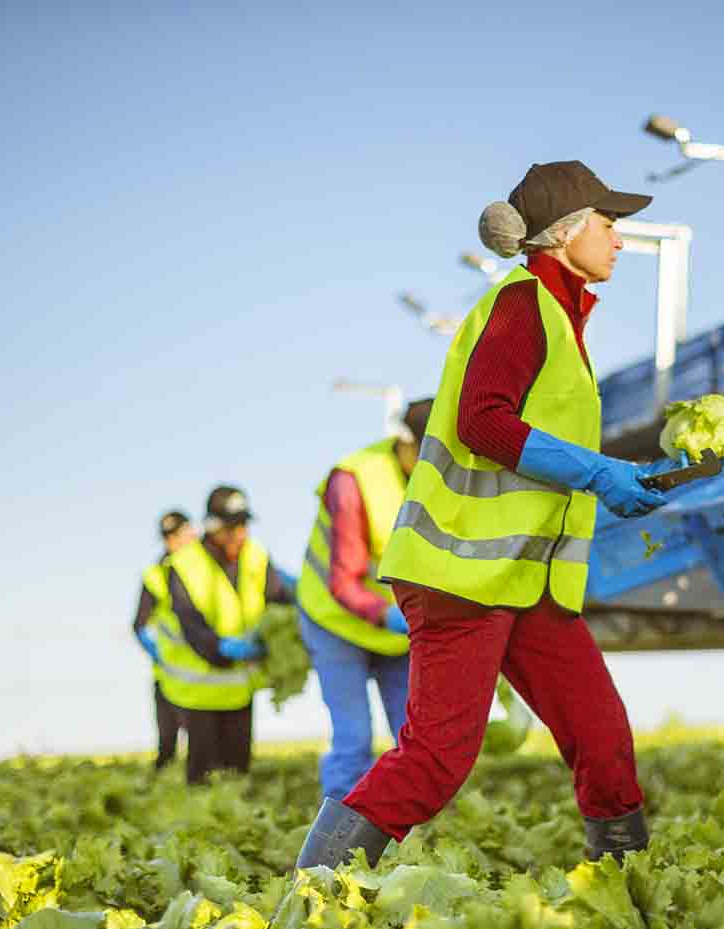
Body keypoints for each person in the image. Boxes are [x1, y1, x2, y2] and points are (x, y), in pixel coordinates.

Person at [293, 161, 684, 869]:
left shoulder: (559, 314)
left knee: (600, 732)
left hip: (524, 582)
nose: (620, 239)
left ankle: (629, 886)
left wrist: (612, 479)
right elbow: (483, 423)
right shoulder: (524, 303)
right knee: (438, 758)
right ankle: (315, 891)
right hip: (462, 575)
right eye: (609, 223)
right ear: (567, 233)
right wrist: (598, 473)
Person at [296, 399, 433, 801]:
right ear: (405, 442)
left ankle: (405, 832)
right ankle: (334, 845)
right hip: (336, 623)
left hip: (396, 629)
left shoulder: (445, 478)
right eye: (426, 455)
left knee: (414, 739)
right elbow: (342, 581)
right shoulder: (354, 480)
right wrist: (389, 614)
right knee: (354, 738)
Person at [158, 485, 295, 784]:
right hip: (199, 692)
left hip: (239, 690)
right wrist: (223, 647)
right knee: (203, 778)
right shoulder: (183, 564)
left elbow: (277, 595)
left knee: (238, 774)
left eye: (244, 525)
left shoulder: (256, 555)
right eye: (232, 527)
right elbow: (190, 624)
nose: (240, 534)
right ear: (212, 526)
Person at [131, 509, 198, 772]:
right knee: (167, 746)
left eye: (178, 534)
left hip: (205, 673)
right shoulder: (155, 575)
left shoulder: (209, 570)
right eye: (168, 537)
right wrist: (159, 652)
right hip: (170, 676)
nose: (173, 542)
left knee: (202, 747)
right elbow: (139, 625)